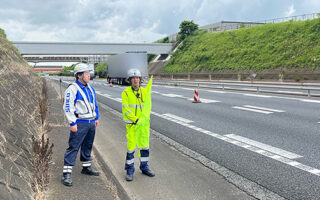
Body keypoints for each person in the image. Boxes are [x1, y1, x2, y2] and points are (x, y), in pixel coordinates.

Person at [61, 63, 100, 186]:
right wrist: (72, 122)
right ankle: (66, 174)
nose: (89, 75)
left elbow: (95, 103)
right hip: (80, 123)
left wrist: (96, 117)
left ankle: (86, 167)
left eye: (89, 73)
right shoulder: (72, 89)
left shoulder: (89, 87)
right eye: (86, 73)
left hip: (91, 122)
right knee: (73, 146)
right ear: (79, 75)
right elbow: (68, 107)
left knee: (88, 146)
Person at [121, 69, 155, 181]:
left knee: (144, 146)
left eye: (137, 78)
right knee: (131, 148)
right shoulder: (125, 92)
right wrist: (135, 119)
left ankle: (144, 167)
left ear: (140, 79)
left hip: (143, 126)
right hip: (132, 125)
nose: (135, 80)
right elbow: (126, 109)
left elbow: (148, 107)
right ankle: (129, 170)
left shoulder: (145, 92)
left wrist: (143, 120)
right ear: (130, 80)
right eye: (133, 78)